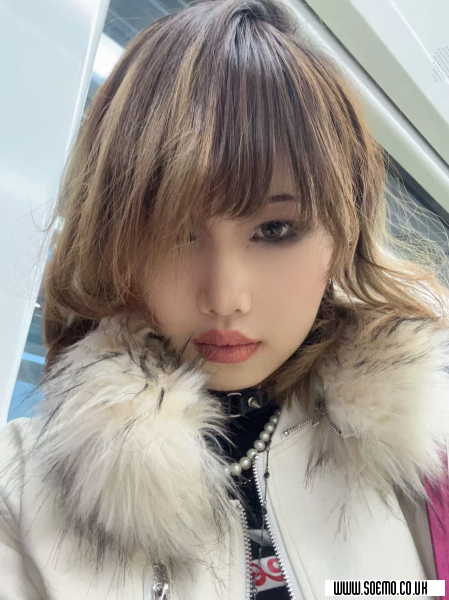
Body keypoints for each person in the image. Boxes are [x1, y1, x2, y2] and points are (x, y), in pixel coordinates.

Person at [1, 0, 448, 598]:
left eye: (275, 229)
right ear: (116, 244)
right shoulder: (22, 489)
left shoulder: (425, 456)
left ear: (345, 236)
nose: (224, 297)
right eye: (173, 233)